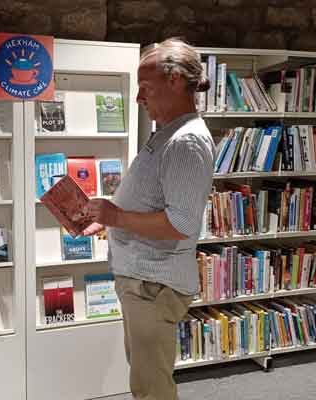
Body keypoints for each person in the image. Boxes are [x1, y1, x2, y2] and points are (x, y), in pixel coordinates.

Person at [82, 38, 215, 400]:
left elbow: (181, 224)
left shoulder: (186, 142)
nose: (140, 99)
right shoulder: (170, 133)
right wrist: (110, 222)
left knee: (151, 387)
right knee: (144, 377)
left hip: (154, 286)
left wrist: (117, 216)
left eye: (145, 88)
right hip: (144, 282)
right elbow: (153, 202)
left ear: (174, 81)